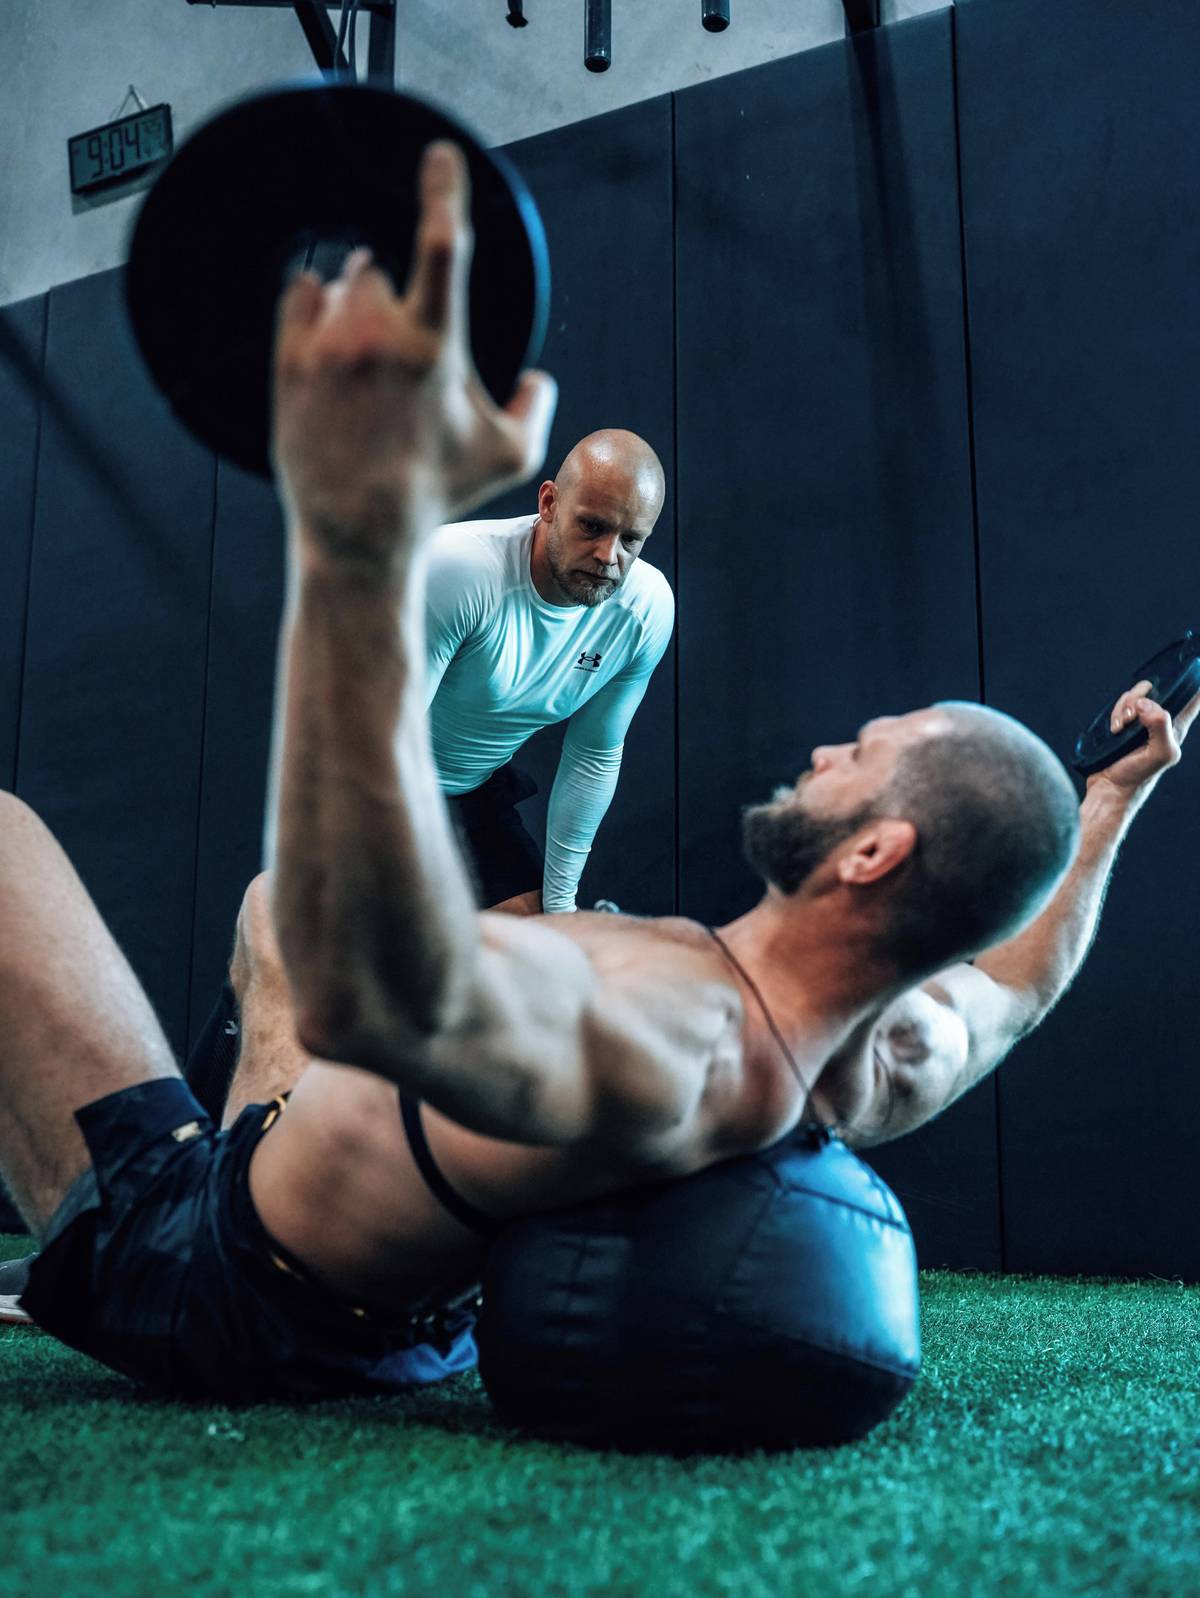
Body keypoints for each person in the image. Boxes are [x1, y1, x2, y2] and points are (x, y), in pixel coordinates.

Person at [0, 145, 1194, 1386]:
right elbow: (1015, 988)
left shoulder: (657, 1031)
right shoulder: (893, 1048)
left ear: (875, 850)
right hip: (408, 1315)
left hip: (227, 1284)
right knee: (273, 919)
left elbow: (362, 982)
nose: (827, 748)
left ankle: (134, 1226)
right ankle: (241, 1131)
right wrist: (1116, 794)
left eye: (862, 755)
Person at [429, 427, 672, 918]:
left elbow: (593, 755)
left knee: (539, 945)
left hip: (472, 793)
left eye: (630, 539)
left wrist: (561, 909)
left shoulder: (644, 610)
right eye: (592, 526)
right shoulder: (458, 569)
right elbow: (376, 742)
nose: (608, 557)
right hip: (363, 790)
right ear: (549, 503)